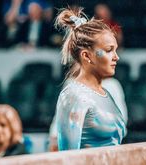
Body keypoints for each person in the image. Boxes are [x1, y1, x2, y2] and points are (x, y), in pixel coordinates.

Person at [53, 7, 126, 151]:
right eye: (109, 50)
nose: (116, 57)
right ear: (86, 56)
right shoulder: (73, 95)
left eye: (116, 50)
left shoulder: (105, 93)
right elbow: (68, 157)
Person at [48, 77, 128, 152]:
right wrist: (54, 138)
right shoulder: (70, 84)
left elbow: (121, 120)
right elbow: (60, 119)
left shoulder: (111, 84)